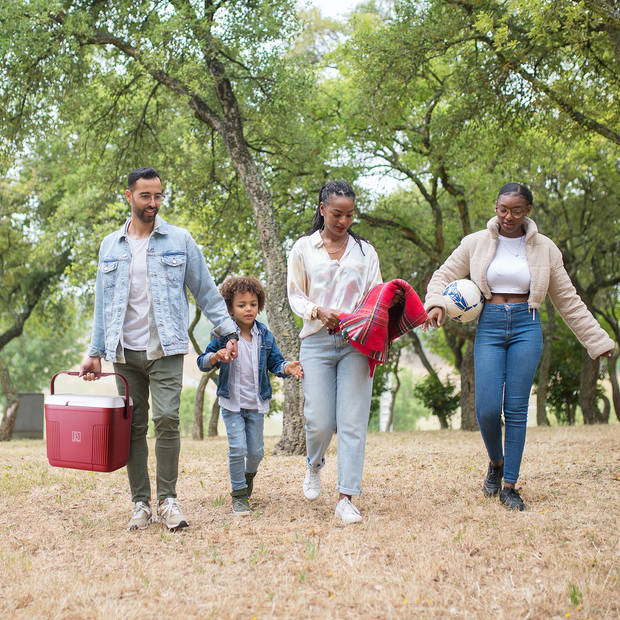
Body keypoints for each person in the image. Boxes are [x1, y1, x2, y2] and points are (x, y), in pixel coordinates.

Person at [424, 182, 614, 511]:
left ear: (527, 212)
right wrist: (436, 304)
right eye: (502, 209)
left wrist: (598, 341)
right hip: (490, 325)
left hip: (527, 325)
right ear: (495, 207)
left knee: (516, 410)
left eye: (516, 210)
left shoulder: (546, 249)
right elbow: (442, 275)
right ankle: (495, 464)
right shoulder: (476, 243)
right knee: (485, 409)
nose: (508, 216)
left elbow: (568, 301)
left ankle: (509, 484)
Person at [79, 167, 239, 531]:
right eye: (146, 196)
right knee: (133, 427)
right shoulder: (110, 245)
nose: (153, 203)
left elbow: (206, 290)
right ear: (129, 196)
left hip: (165, 349)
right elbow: (102, 303)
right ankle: (140, 503)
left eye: (158, 196)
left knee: (166, 420)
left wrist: (229, 332)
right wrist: (95, 350)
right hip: (124, 353)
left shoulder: (179, 240)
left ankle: (167, 499)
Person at [287, 180, 383, 524]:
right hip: (315, 341)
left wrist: (361, 321)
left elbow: (375, 295)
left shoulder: (365, 252)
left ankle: (346, 497)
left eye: (349, 215)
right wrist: (317, 311)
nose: (343, 221)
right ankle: (314, 464)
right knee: (319, 421)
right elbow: (295, 294)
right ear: (323, 209)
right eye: (337, 214)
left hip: (356, 343)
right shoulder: (303, 248)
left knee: (353, 421)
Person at [197, 277, 303, 515]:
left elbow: (275, 362)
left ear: (259, 305)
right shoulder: (223, 335)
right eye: (241, 305)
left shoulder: (264, 335)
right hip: (231, 403)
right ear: (230, 308)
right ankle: (239, 495)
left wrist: (287, 368)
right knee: (237, 449)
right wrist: (216, 357)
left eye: (253, 304)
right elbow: (202, 362)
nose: (248, 309)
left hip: (256, 403)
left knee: (255, 452)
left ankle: (247, 477)